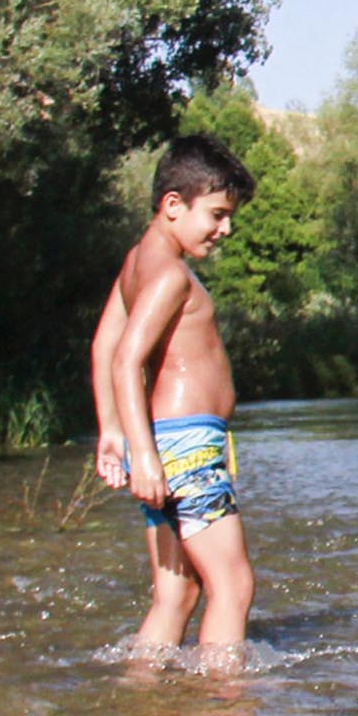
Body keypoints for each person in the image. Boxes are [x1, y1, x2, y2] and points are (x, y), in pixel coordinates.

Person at [93, 133, 258, 671]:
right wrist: (139, 454)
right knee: (232, 586)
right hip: (186, 446)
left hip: (166, 443)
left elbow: (101, 345)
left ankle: (143, 708)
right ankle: (223, 714)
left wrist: (113, 432)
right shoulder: (168, 275)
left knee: (177, 594)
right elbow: (124, 360)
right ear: (172, 205)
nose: (225, 228)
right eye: (216, 214)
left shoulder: (136, 263)